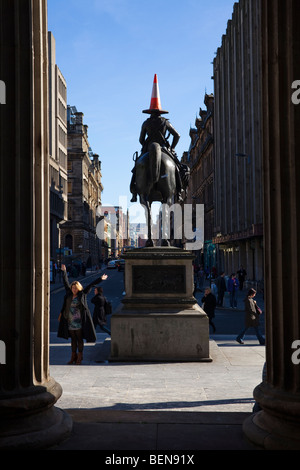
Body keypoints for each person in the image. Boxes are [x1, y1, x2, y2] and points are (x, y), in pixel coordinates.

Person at [57, 264, 108, 365]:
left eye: (75, 288)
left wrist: (100, 279)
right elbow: (65, 282)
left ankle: (80, 356)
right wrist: (64, 271)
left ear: (79, 288)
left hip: (79, 320)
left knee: (79, 338)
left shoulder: (82, 294)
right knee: (73, 339)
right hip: (70, 320)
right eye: (72, 288)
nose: (74, 290)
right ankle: (73, 357)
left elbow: (91, 285)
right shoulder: (69, 294)